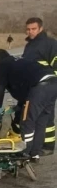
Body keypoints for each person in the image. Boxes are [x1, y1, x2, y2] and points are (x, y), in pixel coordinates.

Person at [0, 48, 57, 162]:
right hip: (53, 84)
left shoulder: (3, 64)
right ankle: (35, 153)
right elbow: (25, 89)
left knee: (27, 121)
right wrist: (18, 106)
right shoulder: (20, 61)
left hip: (40, 87)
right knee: (40, 122)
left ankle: (25, 153)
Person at [19, 17, 57, 155]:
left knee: (45, 117)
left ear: (40, 28)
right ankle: (38, 146)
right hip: (34, 86)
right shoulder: (29, 46)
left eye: (33, 29)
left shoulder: (50, 44)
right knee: (40, 117)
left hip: (47, 85)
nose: (30, 32)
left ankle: (47, 146)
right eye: (28, 29)